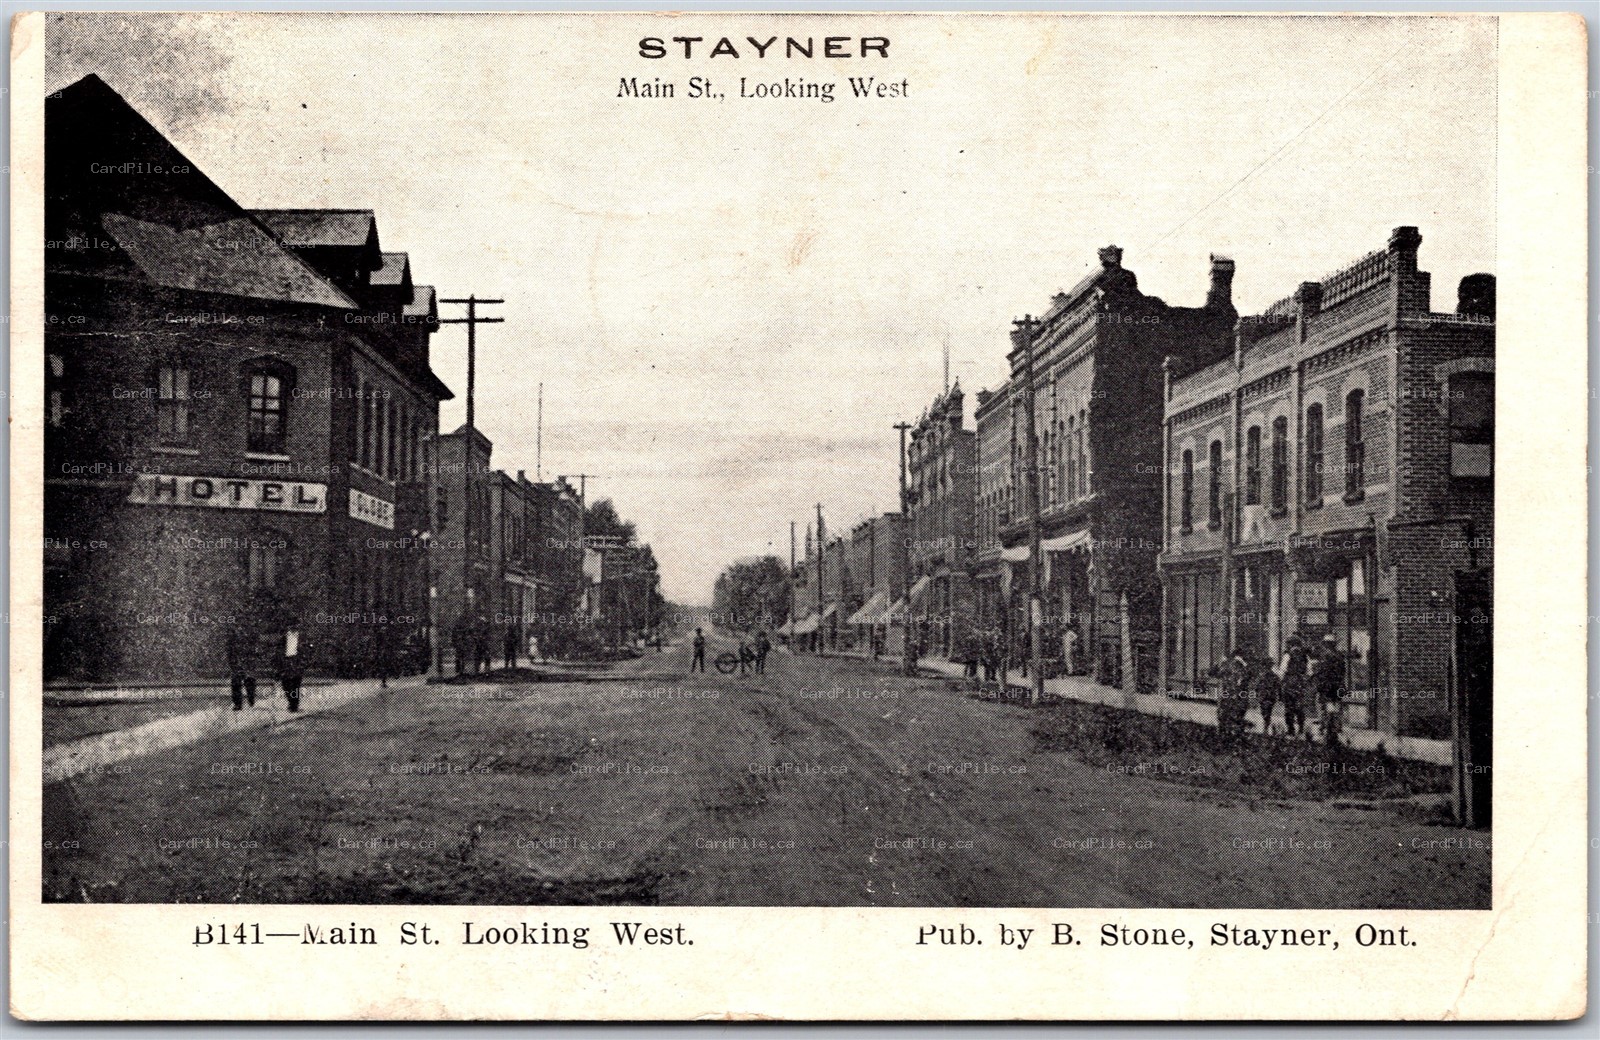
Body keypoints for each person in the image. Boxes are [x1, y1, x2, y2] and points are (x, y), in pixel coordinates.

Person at [1315, 634, 1348, 747]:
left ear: (1326, 644)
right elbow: (1343, 671)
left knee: (1325, 707)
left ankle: (1326, 728)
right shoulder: (1339, 656)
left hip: (1327, 686)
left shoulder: (1325, 657)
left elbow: (1321, 673)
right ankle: (1337, 726)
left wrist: (1319, 685)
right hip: (1337, 685)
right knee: (1336, 705)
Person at [1277, 634, 1310, 737]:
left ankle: (1291, 729)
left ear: (1291, 644)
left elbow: (1282, 671)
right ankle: (1301, 728)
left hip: (1289, 684)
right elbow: (1309, 672)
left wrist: (1280, 682)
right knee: (1299, 707)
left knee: (1289, 707)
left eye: (1288, 644)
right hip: (1300, 684)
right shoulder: (1305, 656)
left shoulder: (1287, 655)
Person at [1217, 649, 1251, 740]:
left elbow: (1218, 673)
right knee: (1236, 715)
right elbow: (1244, 679)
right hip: (1237, 695)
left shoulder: (1227, 664)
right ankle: (1233, 736)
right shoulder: (1241, 666)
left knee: (1225, 715)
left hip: (1227, 694)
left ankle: (1224, 736)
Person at [225, 620, 257, 711]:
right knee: (236, 683)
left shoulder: (250, 637)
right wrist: (232, 662)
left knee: (249, 682)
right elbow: (229, 651)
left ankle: (251, 700)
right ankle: (238, 704)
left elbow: (253, 650)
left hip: (247, 662)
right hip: (237, 663)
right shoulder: (232, 638)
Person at [278, 620, 307, 713]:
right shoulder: (284, 637)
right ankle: (291, 702)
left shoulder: (302, 637)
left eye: (295, 625)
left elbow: (307, 649)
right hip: (286, 661)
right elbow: (278, 650)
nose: (292, 627)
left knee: (296, 683)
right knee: (285, 683)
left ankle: (294, 705)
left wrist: (303, 661)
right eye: (291, 626)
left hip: (297, 661)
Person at [1255, 651, 1282, 735]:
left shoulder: (1273, 676)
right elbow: (1257, 686)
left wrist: (1280, 696)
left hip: (1269, 696)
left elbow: (1279, 686)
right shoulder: (1262, 675)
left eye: (1268, 665)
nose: (1267, 667)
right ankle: (1266, 724)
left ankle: (1266, 727)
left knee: (1267, 711)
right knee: (1264, 711)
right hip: (1264, 696)